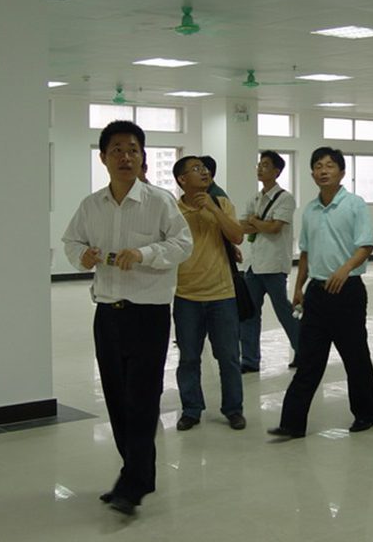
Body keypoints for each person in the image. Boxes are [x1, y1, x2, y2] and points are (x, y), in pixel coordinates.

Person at [62, 120, 193, 516]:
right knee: (117, 400)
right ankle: (134, 474)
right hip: (107, 314)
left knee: (142, 400)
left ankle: (133, 483)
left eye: (133, 149)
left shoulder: (159, 201)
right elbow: (71, 241)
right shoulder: (92, 205)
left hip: (148, 315)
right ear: (103, 158)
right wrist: (82, 256)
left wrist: (145, 253)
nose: (125, 157)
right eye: (117, 150)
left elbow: (182, 244)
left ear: (142, 157)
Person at [268, 147, 373, 438]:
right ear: (312, 173)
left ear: (342, 172)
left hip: (347, 291)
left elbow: (366, 244)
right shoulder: (310, 210)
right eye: (318, 166)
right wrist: (298, 287)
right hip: (317, 292)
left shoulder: (354, 204)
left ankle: (366, 413)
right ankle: (292, 423)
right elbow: (305, 251)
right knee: (308, 359)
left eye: (329, 165)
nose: (323, 170)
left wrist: (345, 269)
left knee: (355, 356)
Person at [172, 156, 246, 432]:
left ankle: (234, 409)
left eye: (204, 168)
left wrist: (214, 209)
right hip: (187, 296)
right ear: (182, 179)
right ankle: (191, 409)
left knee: (228, 357)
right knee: (189, 358)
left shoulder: (222, 203)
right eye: (196, 169)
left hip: (222, 294)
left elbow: (237, 236)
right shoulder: (173, 210)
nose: (204, 172)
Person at [238, 151, 299, 372]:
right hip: (253, 265)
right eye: (259, 164)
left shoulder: (285, 198)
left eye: (265, 165)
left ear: (277, 171)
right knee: (249, 314)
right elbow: (242, 226)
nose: (260, 168)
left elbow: (274, 228)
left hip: (274, 265)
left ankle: (303, 351)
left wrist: (255, 222)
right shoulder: (255, 198)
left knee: (284, 311)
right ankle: (250, 360)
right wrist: (259, 223)